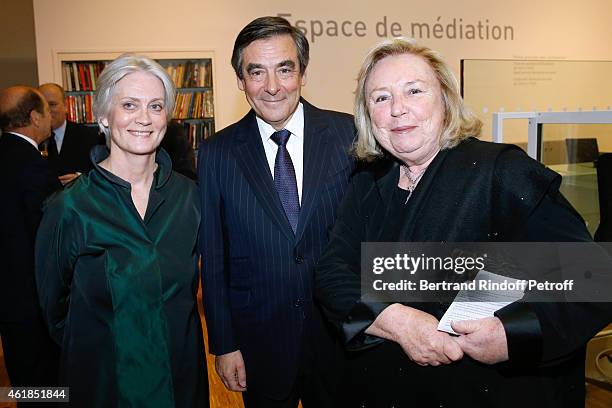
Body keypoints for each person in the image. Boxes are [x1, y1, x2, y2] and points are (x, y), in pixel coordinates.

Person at [314, 38, 612, 408]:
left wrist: (512, 333)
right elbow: (332, 271)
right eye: (381, 98)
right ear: (367, 115)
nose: (398, 109)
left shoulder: (501, 172)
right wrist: (399, 322)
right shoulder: (367, 182)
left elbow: (593, 278)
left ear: (446, 100)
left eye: (414, 90)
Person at [198, 16, 355, 408]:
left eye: (285, 69)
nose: (272, 86)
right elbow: (213, 258)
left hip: (339, 338)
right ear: (240, 80)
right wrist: (223, 343)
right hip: (258, 344)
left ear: (302, 73)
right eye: (257, 72)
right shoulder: (217, 153)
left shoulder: (348, 136)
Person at [35, 54, 209, 407]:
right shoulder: (68, 208)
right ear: (103, 115)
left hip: (180, 382)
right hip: (103, 385)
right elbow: (54, 313)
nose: (144, 118)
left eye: (155, 106)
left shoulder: (190, 199)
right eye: (129, 105)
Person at [0, 86, 61, 394]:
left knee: (25, 386)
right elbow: (49, 240)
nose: (51, 118)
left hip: (9, 304)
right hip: (35, 305)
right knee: (47, 387)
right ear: (35, 117)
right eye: (48, 112)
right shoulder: (33, 166)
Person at [38, 83, 105, 185]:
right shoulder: (32, 140)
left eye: (52, 104)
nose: (47, 111)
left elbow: (104, 174)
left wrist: (81, 179)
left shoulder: (90, 136)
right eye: (43, 106)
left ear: (65, 106)